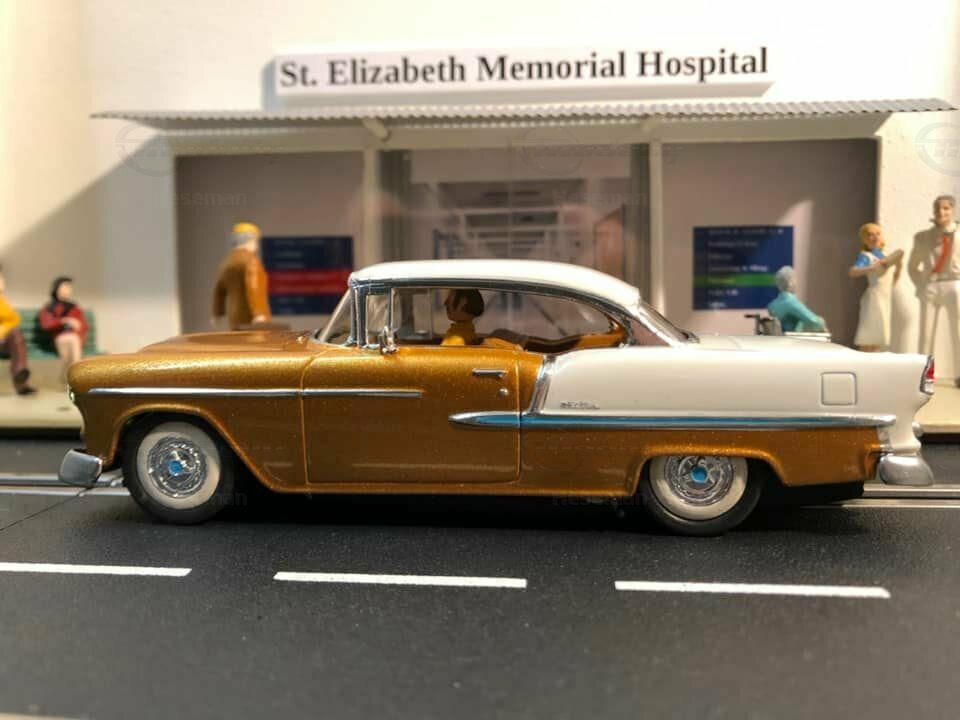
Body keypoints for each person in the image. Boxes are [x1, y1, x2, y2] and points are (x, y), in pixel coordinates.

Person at [908, 195, 959, 383]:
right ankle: (925, 374)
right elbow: (913, 266)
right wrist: (922, 284)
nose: (941, 212)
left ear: (952, 210)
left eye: (946, 208)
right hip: (931, 285)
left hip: (954, 283)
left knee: (958, 330)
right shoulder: (922, 237)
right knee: (926, 331)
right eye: (937, 208)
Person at [848, 223, 902, 352]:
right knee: (868, 337)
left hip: (885, 298)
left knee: (879, 336)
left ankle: (874, 361)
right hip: (874, 298)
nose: (875, 237)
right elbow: (852, 271)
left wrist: (899, 267)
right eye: (870, 235)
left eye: (877, 234)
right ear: (865, 239)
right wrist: (872, 268)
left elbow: (891, 281)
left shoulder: (886, 256)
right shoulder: (866, 256)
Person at [211, 222, 271, 330]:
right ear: (251, 240)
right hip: (251, 319)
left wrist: (217, 312)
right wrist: (258, 313)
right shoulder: (250, 261)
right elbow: (253, 288)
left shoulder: (227, 262)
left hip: (234, 316)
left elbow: (219, 291)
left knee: (238, 339)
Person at [38, 276, 89, 380]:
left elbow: (83, 325)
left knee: (73, 339)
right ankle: (76, 375)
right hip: (59, 338)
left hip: (75, 338)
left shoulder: (74, 307)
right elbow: (46, 324)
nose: (67, 290)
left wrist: (77, 327)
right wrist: (64, 321)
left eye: (69, 287)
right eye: (64, 287)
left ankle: (69, 374)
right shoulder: (49, 307)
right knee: (72, 340)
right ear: (56, 289)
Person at [0, 264, 37, 395]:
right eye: (0, 277)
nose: (3, 280)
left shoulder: (2, 300)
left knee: (16, 334)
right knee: (15, 335)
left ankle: (21, 377)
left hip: (3, 341)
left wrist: (3, 329)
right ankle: (21, 379)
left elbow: (14, 319)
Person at [766, 266, 827, 333]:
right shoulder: (791, 302)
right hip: (793, 338)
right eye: (794, 279)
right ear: (790, 282)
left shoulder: (771, 305)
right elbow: (813, 321)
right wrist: (821, 322)